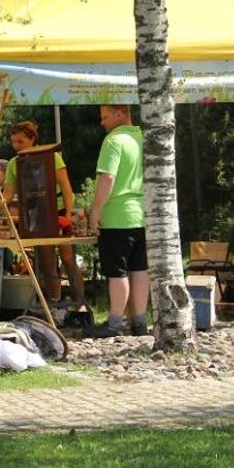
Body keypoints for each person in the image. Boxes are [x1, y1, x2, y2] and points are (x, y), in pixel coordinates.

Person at [1, 120, 88, 312]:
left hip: (58, 210)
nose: (16, 146)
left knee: (67, 257)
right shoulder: (14, 164)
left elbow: (66, 187)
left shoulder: (52, 157)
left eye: (21, 141)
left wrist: (68, 213)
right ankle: (55, 303)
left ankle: (79, 303)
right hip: (36, 214)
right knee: (47, 259)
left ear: (33, 140)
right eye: (14, 142)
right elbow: (7, 195)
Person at [88, 104, 148, 338]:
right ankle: (140, 322)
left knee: (117, 272)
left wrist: (96, 211)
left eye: (105, 116)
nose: (102, 122)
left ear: (120, 114)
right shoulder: (144, 137)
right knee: (140, 270)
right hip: (142, 214)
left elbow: (107, 178)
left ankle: (114, 323)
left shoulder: (114, 140)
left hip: (116, 216)